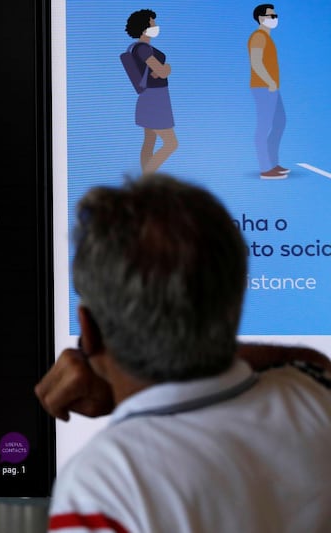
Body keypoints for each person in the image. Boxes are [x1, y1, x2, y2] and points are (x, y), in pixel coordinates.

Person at [36, 175, 331, 532]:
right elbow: (312, 363)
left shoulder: (106, 482)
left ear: (90, 329)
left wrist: (115, 374)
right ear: (235, 301)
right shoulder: (315, 396)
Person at [125, 9, 178, 174]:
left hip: (150, 97)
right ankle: (147, 179)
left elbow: (156, 72)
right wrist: (167, 68)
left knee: (150, 139)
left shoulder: (137, 48)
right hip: (155, 98)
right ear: (143, 27)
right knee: (171, 143)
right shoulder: (143, 49)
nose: (155, 26)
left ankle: (146, 181)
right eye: (152, 23)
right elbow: (161, 72)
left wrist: (161, 70)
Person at [249, 4, 288, 180]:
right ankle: (266, 169)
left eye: (275, 15)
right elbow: (256, 62)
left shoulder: (266, 37)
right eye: (271, 15)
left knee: (279, 122)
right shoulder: (258, 37)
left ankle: (273, 163)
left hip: (272, 87)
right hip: (264, 87)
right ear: (261, 18)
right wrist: (270, 81)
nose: (274, 18)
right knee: (264, 126)